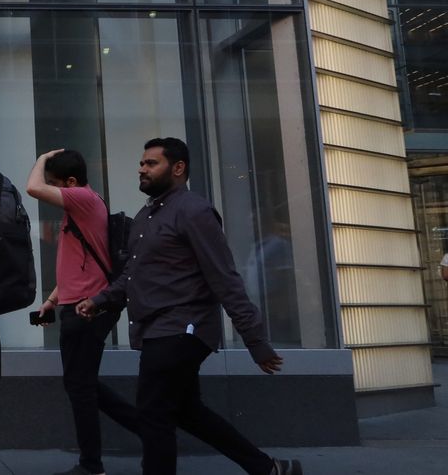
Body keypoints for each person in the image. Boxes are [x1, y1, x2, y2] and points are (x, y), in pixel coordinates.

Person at [77, 138, 302, 475]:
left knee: (153, 414)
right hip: (157, 328)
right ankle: (268, 468)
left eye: (151, 163)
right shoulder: (147, 215)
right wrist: (101, 299)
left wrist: (255, 340)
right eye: (142, 163)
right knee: (185, 410)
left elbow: (224, 277)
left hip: (182, 328)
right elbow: (133, 275)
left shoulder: (194, 211)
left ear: (178, 168)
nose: (142, 169)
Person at [27, 149, 138, 475]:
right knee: (81, 384)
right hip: (77, 305)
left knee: (80, 386)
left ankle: (93, 465)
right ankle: (149, 429)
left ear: (72, 183)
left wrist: (41, 160)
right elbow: (79, 263)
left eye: (56, 185)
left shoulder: (84, 200)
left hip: (88, 309)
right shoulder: (81, 207)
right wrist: (51, 300)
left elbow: (33, 188)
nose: (52, 190)